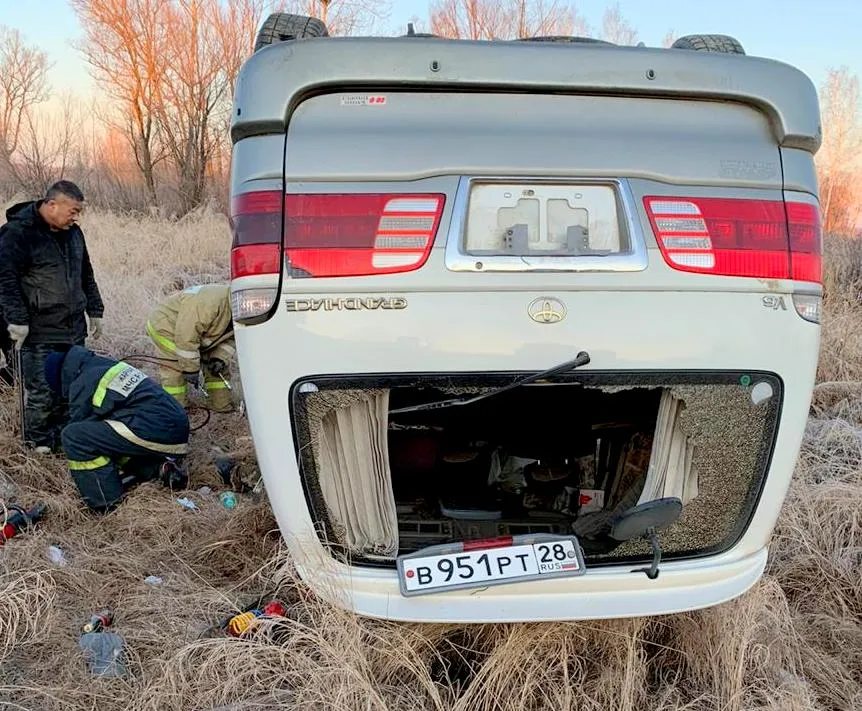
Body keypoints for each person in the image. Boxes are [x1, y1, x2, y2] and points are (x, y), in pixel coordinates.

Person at [0, 181, 104, 452]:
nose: (76, 217)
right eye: (73, 210)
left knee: (70, 388)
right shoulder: (17, 234)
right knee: (42, 392)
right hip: (38, 331)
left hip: (73, 328)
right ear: (52, 205)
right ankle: (38, 444)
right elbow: (5, 280)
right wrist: (16, 320)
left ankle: (64, 439)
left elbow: (86, 273)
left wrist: (95, 310)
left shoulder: (74, 233)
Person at [44, 345, 190, 513]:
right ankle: (158, 468)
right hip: (174, 424)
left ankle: (105, 501)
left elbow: (81, 428)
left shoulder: (82, 384)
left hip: (157, 428)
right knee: (107, 436)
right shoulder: (102, 365)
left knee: (74, 437)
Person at [146, 283, 235, 413]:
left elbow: (231, 338)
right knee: (175, 371)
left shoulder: (244, 308)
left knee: (217, 370)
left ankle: (221, 406)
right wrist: (190, 369)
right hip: (167, 326)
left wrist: (219, 358)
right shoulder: (208, 303)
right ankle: (177, 412)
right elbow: (186, 338)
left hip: (201, 334)